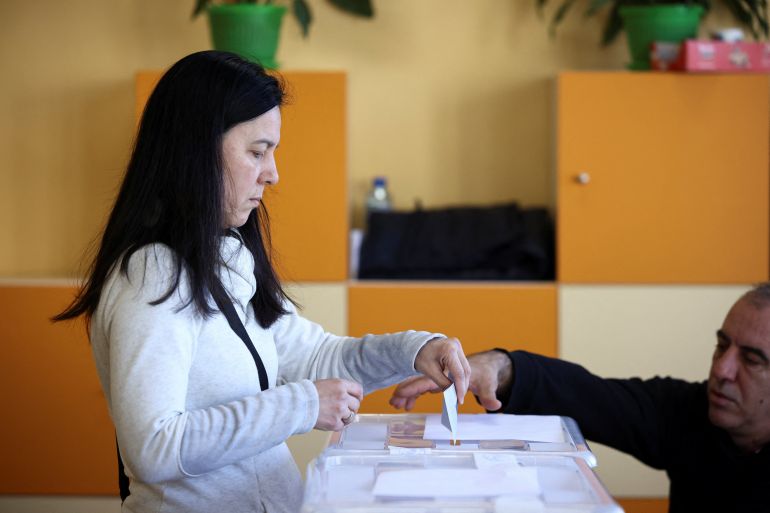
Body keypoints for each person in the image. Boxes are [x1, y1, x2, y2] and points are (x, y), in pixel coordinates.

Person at [54, 50, 470, 513]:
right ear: (196, 150)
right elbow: (154, 447)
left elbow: (317, 358)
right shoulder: (153, 276)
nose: (272, 173)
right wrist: (300, 407)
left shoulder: (226, 259)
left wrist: (415, 350)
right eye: (257, 152)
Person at [391, 284, 770, 512]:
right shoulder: (691, 411)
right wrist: (499, 367)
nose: (722, 370)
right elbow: (589, 395)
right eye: (722, 346)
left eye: (752, 360)